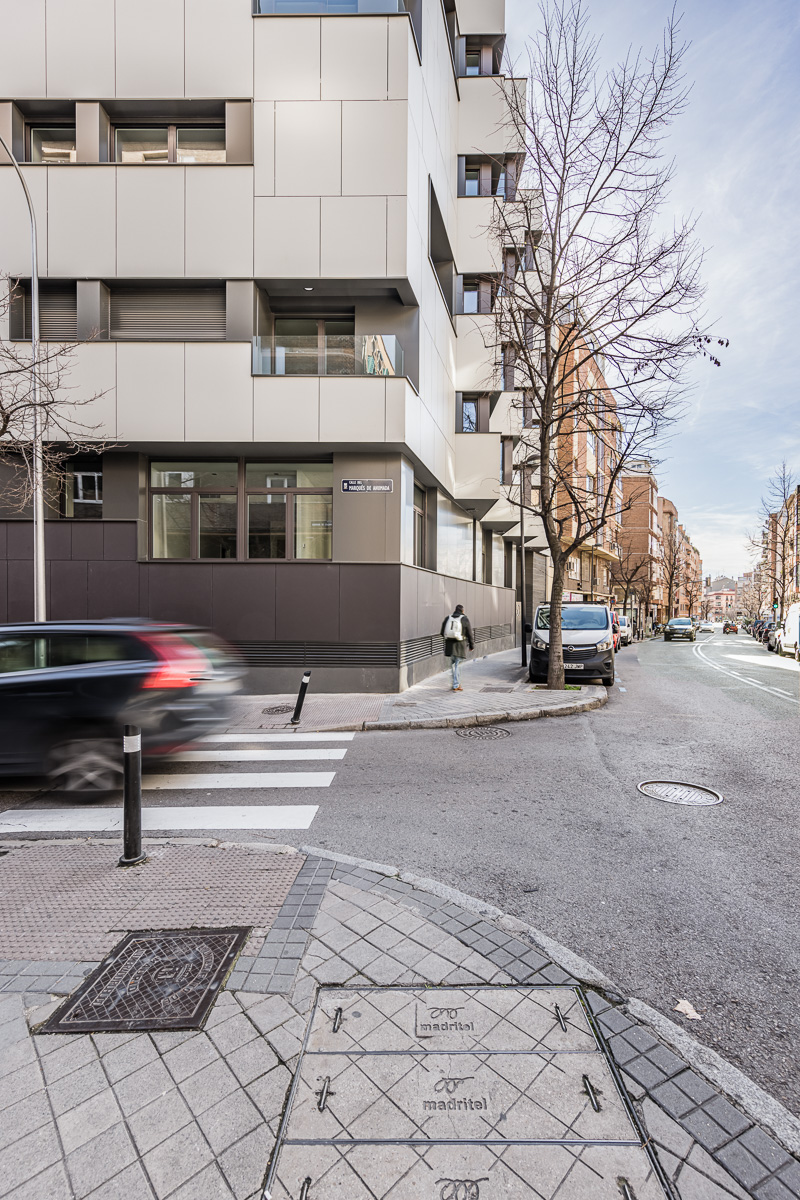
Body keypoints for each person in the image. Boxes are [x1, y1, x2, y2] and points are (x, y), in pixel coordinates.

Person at [440, 604, 474, 691]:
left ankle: (456, 683)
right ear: (463, 611)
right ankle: (456, 685)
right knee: (457, 665)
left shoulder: (448, 618)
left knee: (454, 665)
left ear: (455, 610)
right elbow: (470, 633)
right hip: (460, 645)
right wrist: (471, 645)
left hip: (449, 645)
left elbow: (442, 632)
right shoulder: (464, 619)